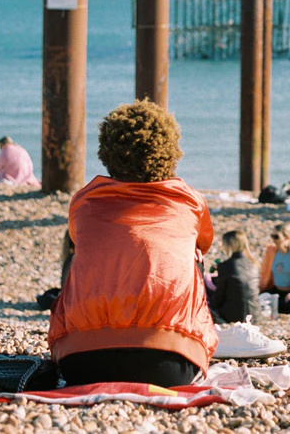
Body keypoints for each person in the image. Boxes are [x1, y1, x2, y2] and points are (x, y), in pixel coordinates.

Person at [47, 100, 218, 386]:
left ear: (107, 152)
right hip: (171, 365)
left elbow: (81, 242)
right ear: (170, 152)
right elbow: (204, 244)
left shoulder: (85, 201)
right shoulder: (189, 201)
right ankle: (181, 336)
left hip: (80, 363)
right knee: (194, 254)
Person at [207, 230, 262, 325]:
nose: (223, 247)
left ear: (230, 245)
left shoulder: (226, 266)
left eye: (224, 244)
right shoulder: (254, 263)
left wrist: (210, 307)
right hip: (255, 314)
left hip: (235, 316)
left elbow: (219, 296)